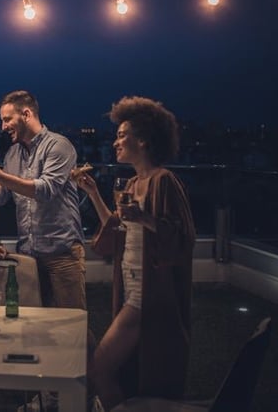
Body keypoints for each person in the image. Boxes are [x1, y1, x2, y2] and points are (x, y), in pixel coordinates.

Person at [76, 96, 195, 411]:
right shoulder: (131, 183)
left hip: (149, 297)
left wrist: (143, 217)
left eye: (121, 134)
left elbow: (183, 236)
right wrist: (92, 193)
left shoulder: (162, 181)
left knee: (98, 368)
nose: (115, 141)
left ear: (142, 140)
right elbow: (117, 229)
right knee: (122, 371)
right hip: (132, 292)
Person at [0, 90, 87, 309]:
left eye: (7, 120)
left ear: (26, 114)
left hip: (62, 254)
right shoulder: (13, 154)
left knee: (71, 325)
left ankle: (93, 346)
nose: (3, 127)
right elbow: (0, 197)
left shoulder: (58, 145)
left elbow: (45, 190)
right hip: (29, 255)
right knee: (34, 325)